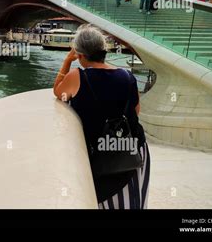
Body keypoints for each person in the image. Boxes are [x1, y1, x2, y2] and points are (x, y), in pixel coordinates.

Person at [53, 25, 150, 209]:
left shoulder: (77, 76)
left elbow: (58, 91)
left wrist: (67, 61)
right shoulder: (127, 76)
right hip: (134, 151)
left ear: (80, 55)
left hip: (104, 158)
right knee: (134, 203)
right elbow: (136, 111)